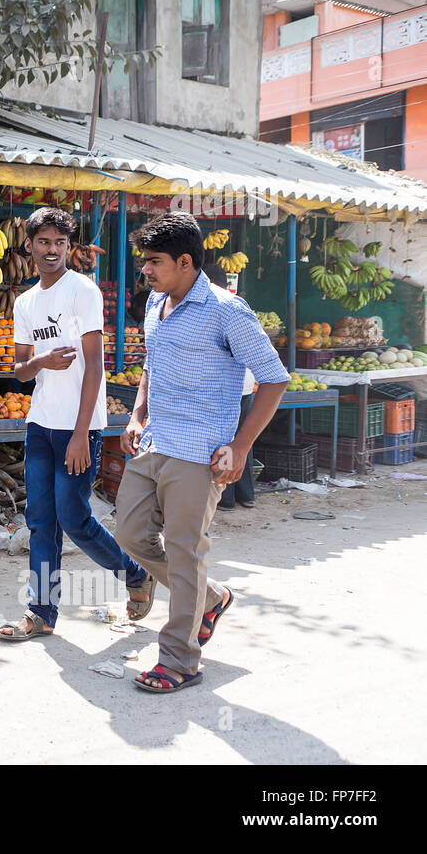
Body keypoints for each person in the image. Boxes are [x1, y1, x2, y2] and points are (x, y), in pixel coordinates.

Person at [118, 213, 289, 693]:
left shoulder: (227, 311)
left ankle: (179, 660)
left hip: (200, 451)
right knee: (130, 535)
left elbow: (275, 378)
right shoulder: (156, 302)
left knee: (184, 551)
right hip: (156, 441)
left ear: (186, 262)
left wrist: (240, 446)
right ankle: (210, 599)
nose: (146, 271)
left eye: (154, 262)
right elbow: (154, 360)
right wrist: (137, 414)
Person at [0, 207, 153, 642]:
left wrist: (83, 433)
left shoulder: (82, 291)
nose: (51, 250)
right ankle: (41, 613)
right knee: (40, 520)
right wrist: (41, 361)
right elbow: (20, 372)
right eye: (43, 242)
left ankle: (135, 574)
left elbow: (95, 368)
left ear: (69, 248)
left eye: (60, 243)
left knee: (75, 517)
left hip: (77, 426)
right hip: (40, 425)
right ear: (29, 245)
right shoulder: (26, 302)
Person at [203, 262, 257, 510]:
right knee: (241, 442)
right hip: (245, 386)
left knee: (225, 442)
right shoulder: (237, 305)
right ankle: (247, 495)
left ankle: (225, 497)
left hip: (229, 389)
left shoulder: (221, 308)